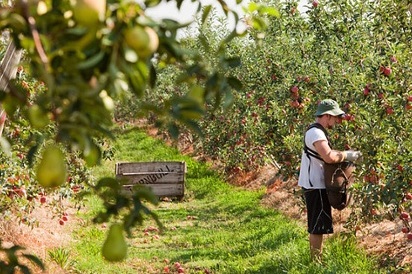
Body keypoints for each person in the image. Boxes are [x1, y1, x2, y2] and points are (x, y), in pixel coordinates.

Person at [298, 99, 361, 261]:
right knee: (317, 226)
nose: (337, 121)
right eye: (335, 117)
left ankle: (316, 260)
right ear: (327, 116)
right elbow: (328, 156)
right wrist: (348, 155)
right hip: (315, 184)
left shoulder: (317, 131)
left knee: (318, 223)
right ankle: (315, 262)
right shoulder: (316, 133)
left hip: (315, 183)